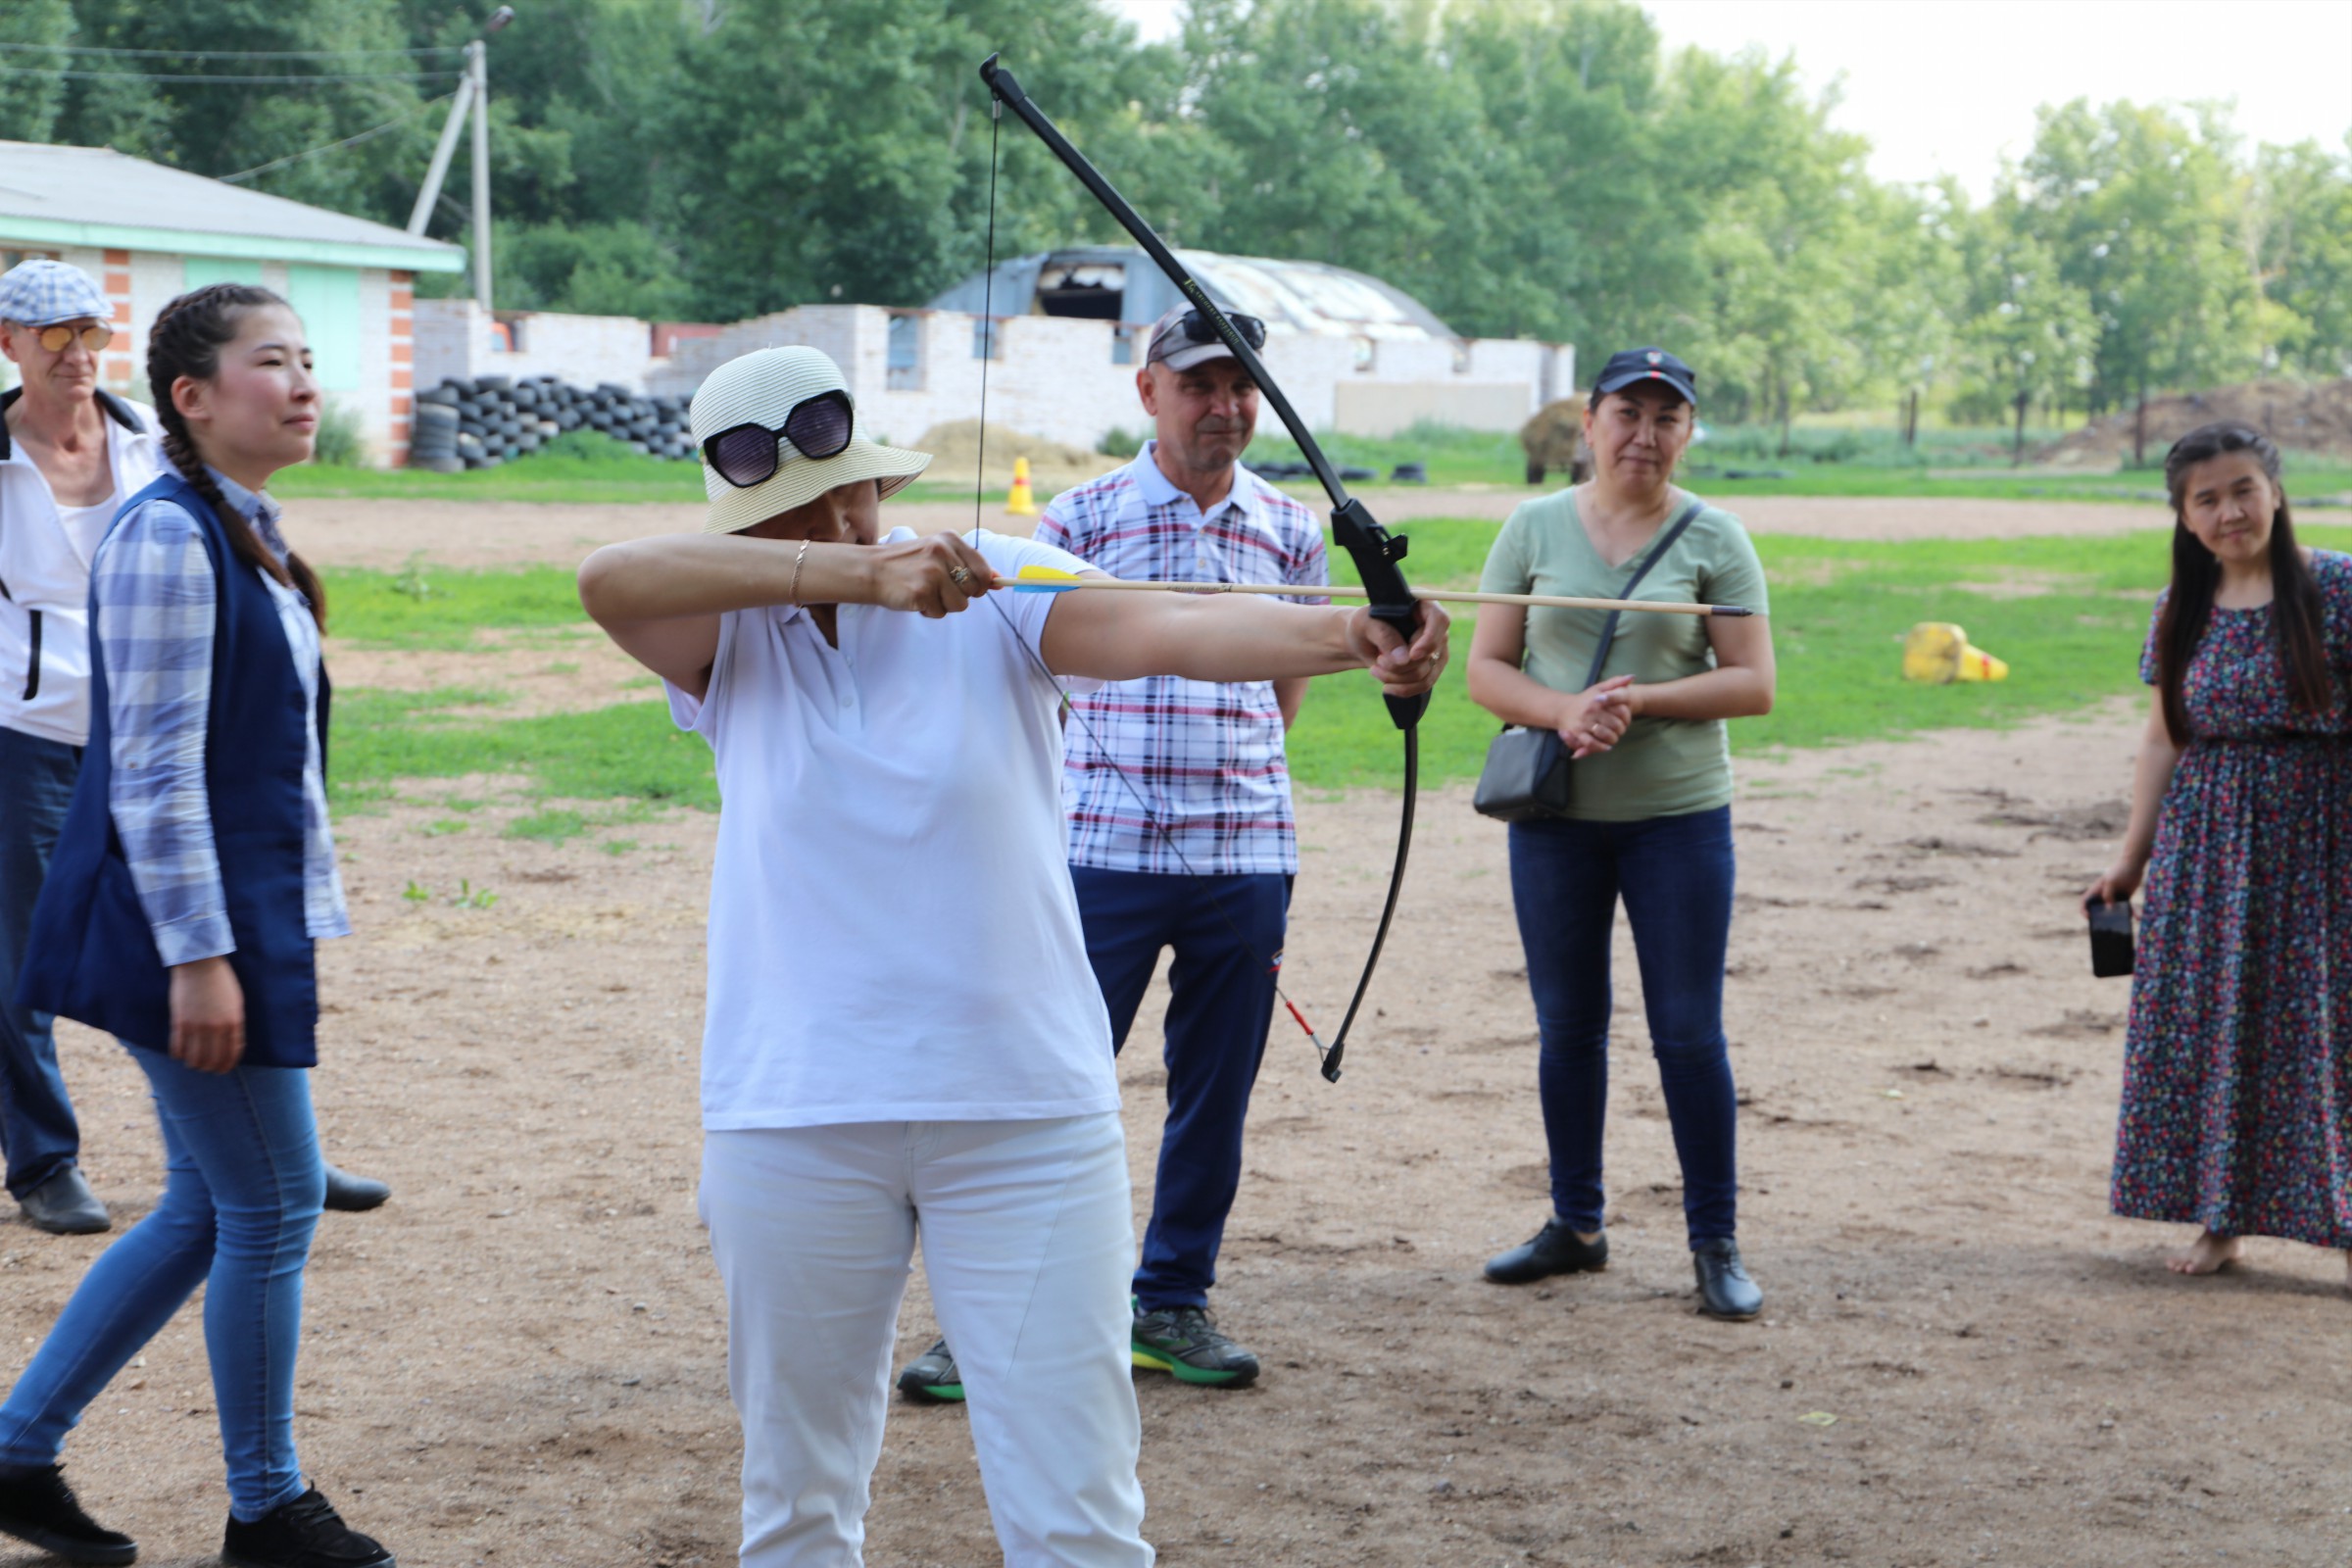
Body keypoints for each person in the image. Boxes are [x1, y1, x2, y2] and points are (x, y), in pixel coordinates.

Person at [575, 345, 1446, 1567]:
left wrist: (1353, 633)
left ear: (878, 480)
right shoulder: (725, 635)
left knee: (1078, 1514)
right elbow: (608, 577)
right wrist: (857, 574)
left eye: (845, 494)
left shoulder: (993, 579)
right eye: (791, 510)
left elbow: (1168, 626)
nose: (830, 520)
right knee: (797, 1502)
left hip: (1024, 1108)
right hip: (793, 1111)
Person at [0, 284, 393, 1568]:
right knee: (273, 1203)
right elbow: (155, 771)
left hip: (222, 915)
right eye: (272, 361)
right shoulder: (169, 535)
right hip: (184, 929)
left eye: (309, 359)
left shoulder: (236, 522)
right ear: (193, 396)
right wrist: (203, 959)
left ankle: (15, 1452)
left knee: (206, 1204)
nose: (305, 383)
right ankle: (265, 1506)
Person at [895, 303, 1326, 1404]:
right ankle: (995, 1314)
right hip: (1100, 852)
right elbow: (1031, 673)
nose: (1224, 406)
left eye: (1241, 386)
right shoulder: (1078, 519)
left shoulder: (1292, 528)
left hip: (1245, 852)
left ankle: (1172, 1299)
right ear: (1149, 391)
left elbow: (1284, 692)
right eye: (1200, 385)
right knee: (1045, 1081)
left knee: (1214, 1093)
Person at [1464, 347, 1774, 1321]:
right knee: (1568, 1026)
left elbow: (1753, 682)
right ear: (1590, 423)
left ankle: (1714, 1241)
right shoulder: (1532, 526)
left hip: (1677, 822)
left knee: (1687, 1031)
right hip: (1555, 821)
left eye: (1666, 418)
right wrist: (1563, 711)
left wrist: (1638, 701)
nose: (1645, 434)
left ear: (1688, 433)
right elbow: (1485, 669)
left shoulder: (1715, 537)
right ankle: (1576, 1223)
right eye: (1627, 414)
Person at [2084, 422, 2350, 1292]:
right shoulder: (2180, 607)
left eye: (2244, 490)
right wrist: (2132, 860)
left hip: (2324, 840)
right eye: (2208, 499)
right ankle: (2221, 1218)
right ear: (2184, 516)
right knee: (2217, 1027)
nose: (2230, 512)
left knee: (2328, 1029)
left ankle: (2345, 1224)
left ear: (2276, 492)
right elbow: (2165, 735)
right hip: (2207, 850)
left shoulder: (2339, 588)